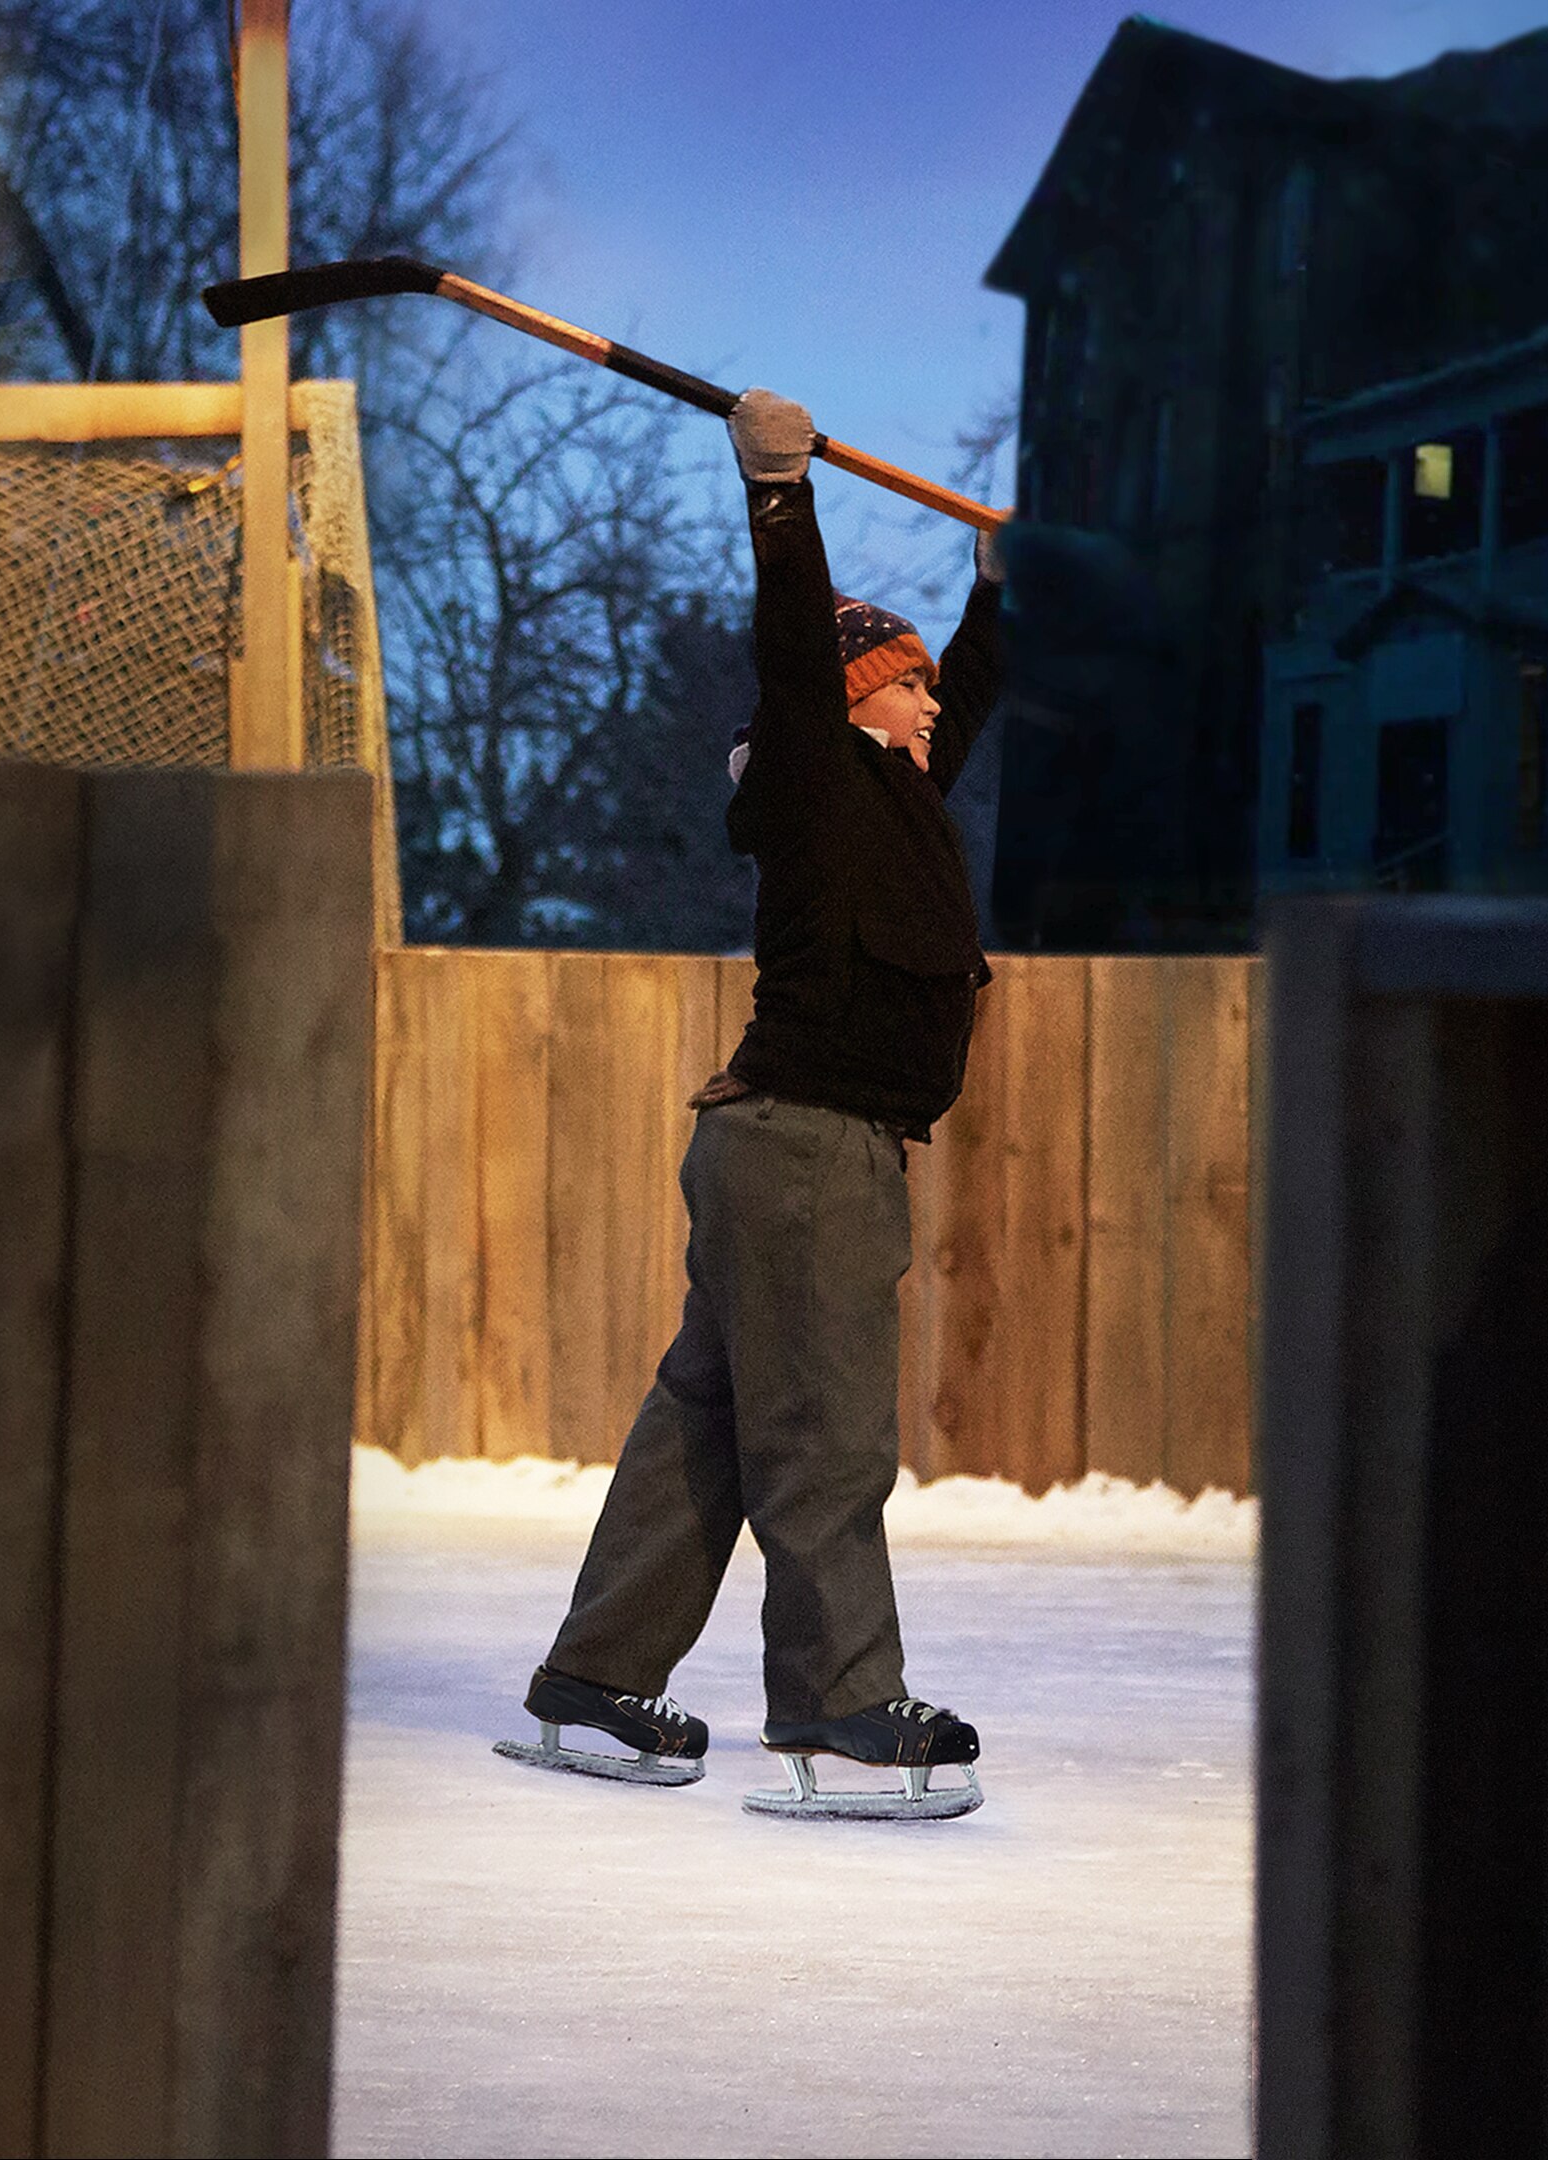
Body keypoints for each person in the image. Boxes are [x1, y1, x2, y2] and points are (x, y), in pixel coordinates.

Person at [506, 385, 1000, 1821]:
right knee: (827, 1430)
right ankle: (844, 1710)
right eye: (905, 682)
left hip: (786, 1148)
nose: (928, 705)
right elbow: (798, 661)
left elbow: (954, 696)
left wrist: (997, 597)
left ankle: (595, 1684)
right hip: (805, 1150)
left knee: (709, 1422)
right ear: (855, 700)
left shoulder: (893, 792)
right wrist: (780, 497)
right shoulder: (820, 778)